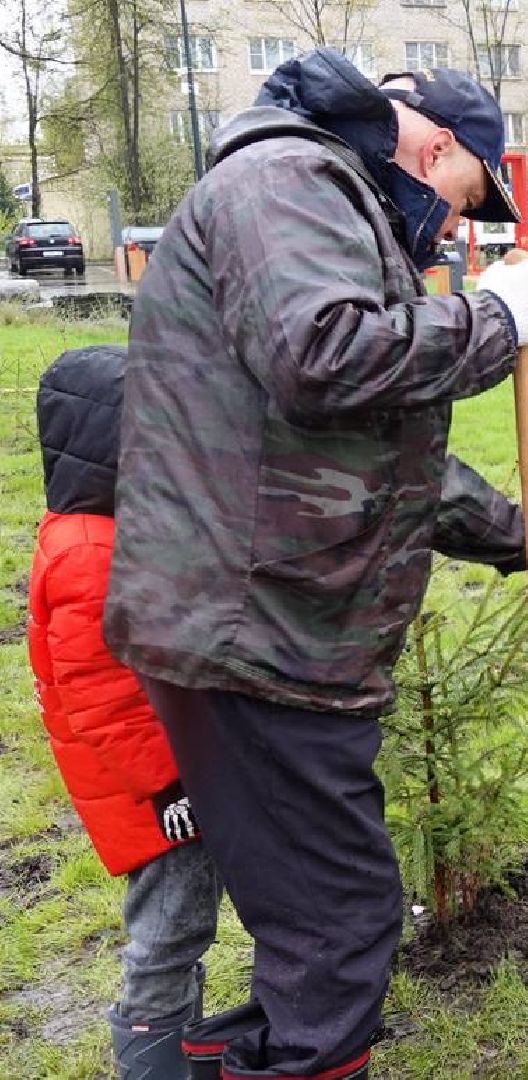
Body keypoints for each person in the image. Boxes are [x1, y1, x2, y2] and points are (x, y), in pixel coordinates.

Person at [104, 49, 528, 1079]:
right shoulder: (289, 181)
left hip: (263, 625)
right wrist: (497, 318)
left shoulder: (318, 193)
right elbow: (322, 356)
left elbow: (353, 447)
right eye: (465, 197)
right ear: (438, 146)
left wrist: (517, 532)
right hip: (256, 634)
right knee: (340, 924)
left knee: (318, 921)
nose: (457, 225)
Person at [28, 345, 222, 1080]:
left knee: (188, 916)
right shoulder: (86, 555)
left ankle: (184, 1044)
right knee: (170, 925)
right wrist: (169, 785)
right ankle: (155, 1055)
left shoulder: (104, 531)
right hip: (151, 796)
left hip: (167, 777)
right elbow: (104, 700)